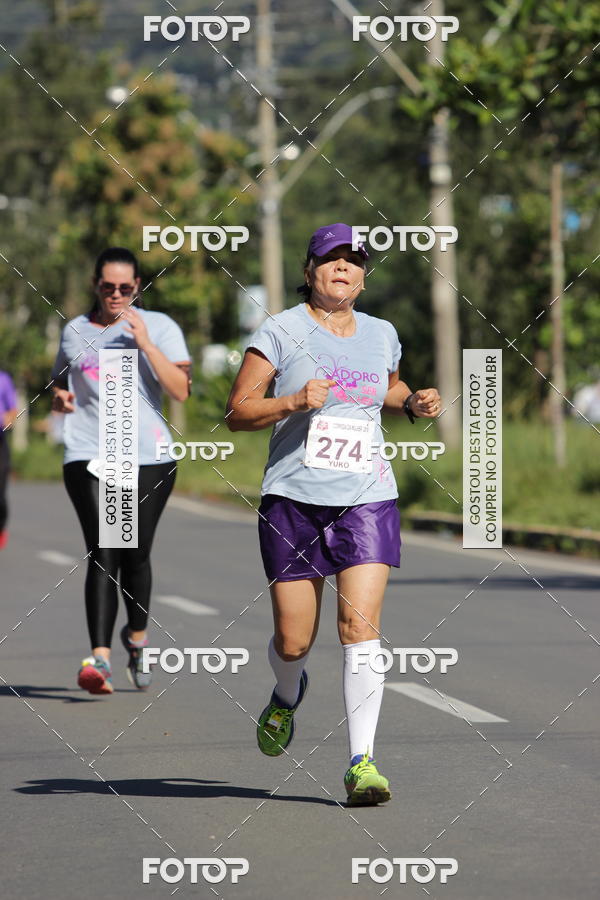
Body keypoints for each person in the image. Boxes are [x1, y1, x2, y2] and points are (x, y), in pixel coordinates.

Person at [226, 223, 440, 805]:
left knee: (359, 629)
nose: (343, 268)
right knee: (295, 641)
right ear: (309, 270)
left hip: (366, 496)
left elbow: (387, 391)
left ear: (363, 275)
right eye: (331, 259)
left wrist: (414, 401)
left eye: (354, 261)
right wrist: (293, 401)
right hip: (293, 499)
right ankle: (287, 692)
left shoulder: (382, 333)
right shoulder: (280, 330)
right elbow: (238, 411)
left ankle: (362, 763)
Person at [51, 247, 191, 695]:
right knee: (104, 548)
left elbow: (181, 391)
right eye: (108, 287)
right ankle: (100, 659)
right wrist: (60, 397)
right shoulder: (75, 331)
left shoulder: (162, 328)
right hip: (90, 452)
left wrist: (145, 342)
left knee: (134, 554)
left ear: (138, 287)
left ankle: (137, 640)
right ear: (96, 284)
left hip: (147, 457)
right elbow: (60, 379)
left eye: (125, 288)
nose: (116, 295)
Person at [0, 370, 18, 549]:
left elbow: (13, 411)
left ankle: (1, 527)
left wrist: (9, 420)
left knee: (0, 495)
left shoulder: (3, 379)